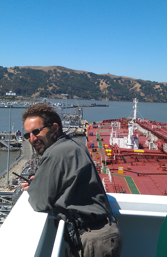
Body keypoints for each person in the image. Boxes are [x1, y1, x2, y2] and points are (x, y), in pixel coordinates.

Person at [20, 103, 123, 257]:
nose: (32, 139)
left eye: (36, 132)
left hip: (91, 241)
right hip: (102, 236)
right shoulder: (73, 144)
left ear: (54, 128)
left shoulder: (55, 153)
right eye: (28, 135)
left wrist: (35, 187)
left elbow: (39, 202)